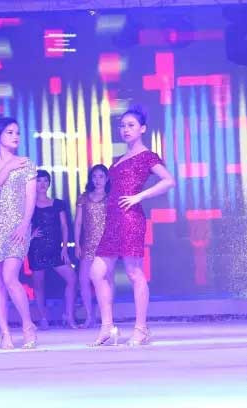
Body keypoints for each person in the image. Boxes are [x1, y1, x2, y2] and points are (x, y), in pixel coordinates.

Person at [90, 107, 175, 347]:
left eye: (131, 125)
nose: (125, 129)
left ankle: (141, 329)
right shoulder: (119, 159)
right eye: (123, 125)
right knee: (96, 272)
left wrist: (139, 196)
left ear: (142, 129)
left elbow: (169, 181)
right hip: (113, 219)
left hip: (130, 218)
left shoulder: (147, 156)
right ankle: (107, 327)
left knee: (133, 273)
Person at [0, 117, 38, 349]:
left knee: (10, 277)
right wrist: (7, 167)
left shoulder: (26, 164)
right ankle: (5, 332)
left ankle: (27, 326)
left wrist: (25, 224)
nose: (16, 136)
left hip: (18, 228)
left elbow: (31, 197)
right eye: (10, 132)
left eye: (17, 132)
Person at [28, 170, 77, 329]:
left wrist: (64, 248)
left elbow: (64, 226)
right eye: (39, 181)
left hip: (56, 249)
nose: (42, 184)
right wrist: (30, 236)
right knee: (38, 284)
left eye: (45, 181)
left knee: (72, 278)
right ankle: (43, 317)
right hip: (37, 249)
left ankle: (68, 315)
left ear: (49, 183)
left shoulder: (58, 204)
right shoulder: (29, 204)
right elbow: (21, 225)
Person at [73, 164, 111, 329]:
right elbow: (78, 223)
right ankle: (89, 316)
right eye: (94, 176)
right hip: (87, 244)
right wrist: (77, 244)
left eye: (101, 176)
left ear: (107, 179)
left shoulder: (111, 198)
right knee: (83, 280)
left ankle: (107, 317)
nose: (97, 180)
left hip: (106, 245)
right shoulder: (84, 198)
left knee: (107, 280)